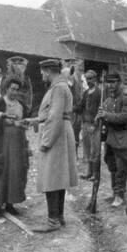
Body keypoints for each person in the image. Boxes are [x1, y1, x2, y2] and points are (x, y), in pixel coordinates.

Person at [29, 58, 78, 232]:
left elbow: (55, 116)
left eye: (43, 72)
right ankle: (59, 216)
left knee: (51, 177)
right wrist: (34, 119)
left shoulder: (58, 88)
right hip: (62, 132)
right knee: (59, 176)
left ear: (49, 71)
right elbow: (52, 113)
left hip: (56, 135)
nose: (42, 75)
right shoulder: (62, 87)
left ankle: (53, 221)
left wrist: (46, 142)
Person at [0, 78, 30, 217]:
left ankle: (10, 203)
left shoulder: (21, 105)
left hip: (16, 143)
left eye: (17, 89)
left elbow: (23, 123)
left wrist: (24, 124)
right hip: (1, 142)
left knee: (14, 171)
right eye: (12, 89)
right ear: (6, 88)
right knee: (0, 170)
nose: (15, 92)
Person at [96, 73, 127, 207]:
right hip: (109, 138)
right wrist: (99, 117)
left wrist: (107, 115)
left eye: (113, 83)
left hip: (121, 137)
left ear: (119, 83)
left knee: (120, 167)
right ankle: (114, 192)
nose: (110, 86)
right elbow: (103, 116)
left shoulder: (126, 100)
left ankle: (120, 194)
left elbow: (125, 117)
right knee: (111, 165)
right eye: (108, 83)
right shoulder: (106, 101)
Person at [78, 70, 101, 180]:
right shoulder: (86, 93)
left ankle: (96, 174)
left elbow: (100, 111)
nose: (88, 81)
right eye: (87, 79)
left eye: (91, 78)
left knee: (95, 150)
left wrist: (95, 125)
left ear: (95, 79)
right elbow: (80, 107)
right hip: (85, 124)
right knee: (87, 149)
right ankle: (89, 172)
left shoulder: (99, 93)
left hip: (94, 126)